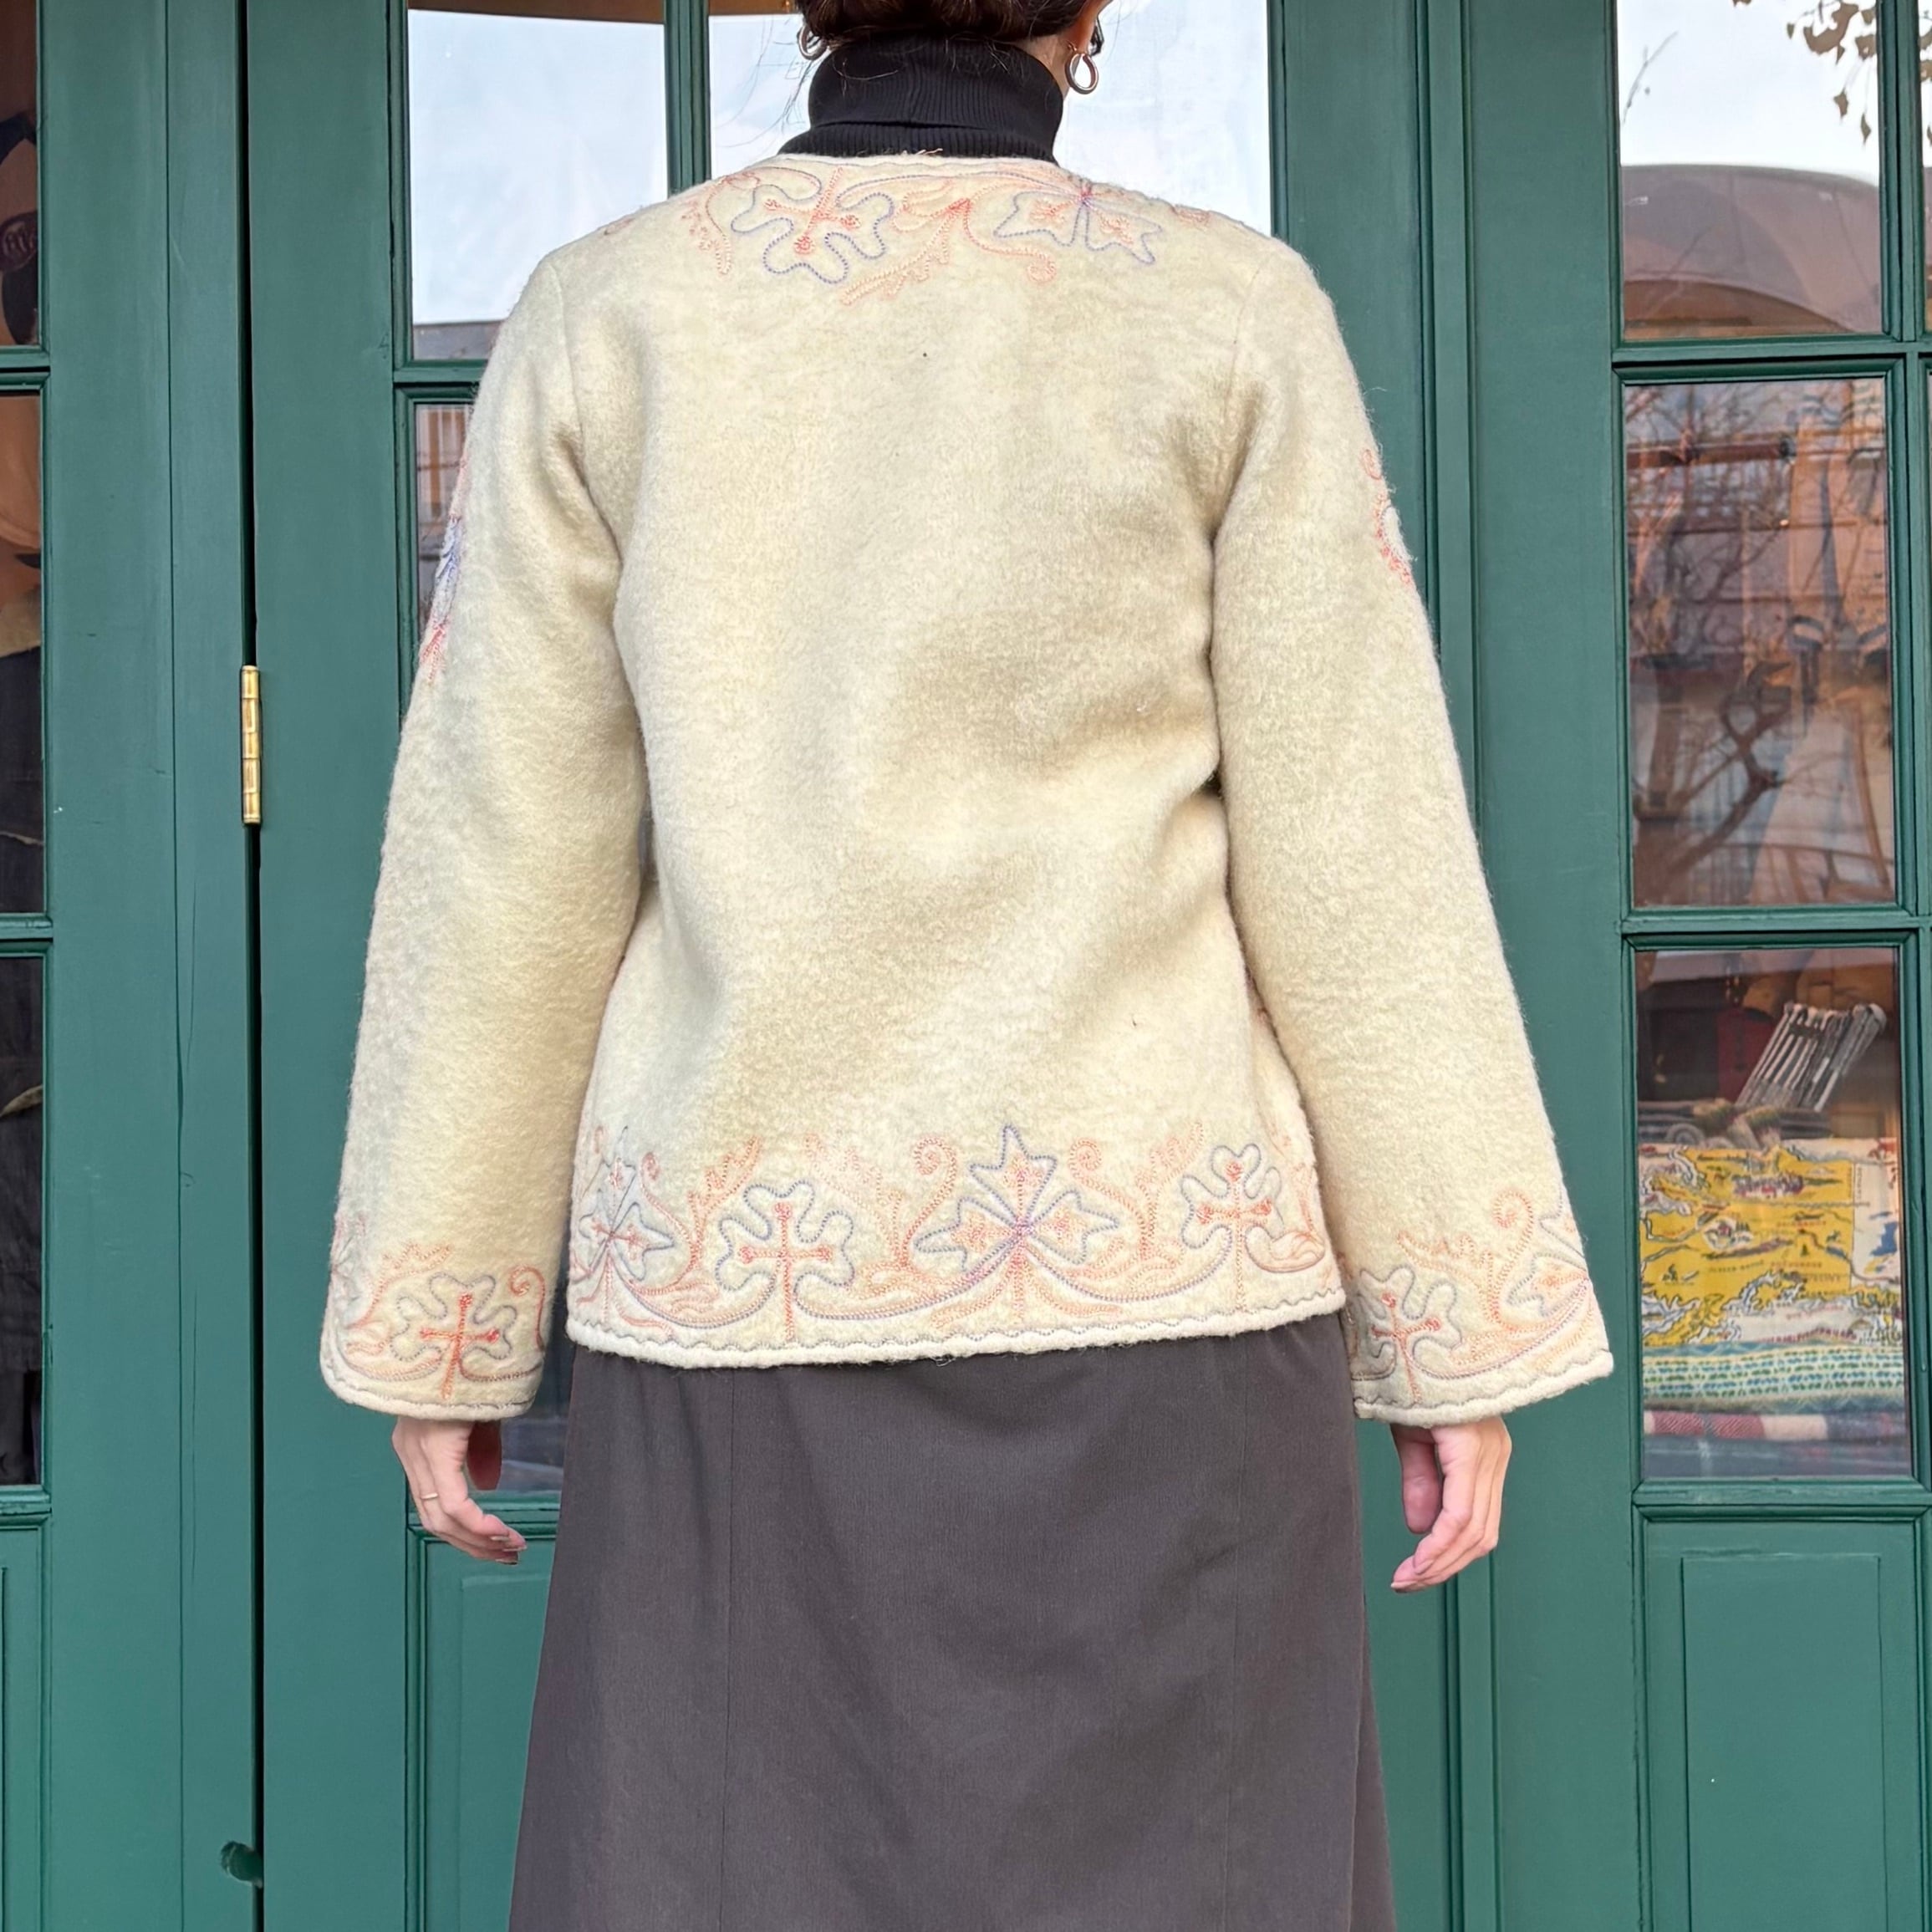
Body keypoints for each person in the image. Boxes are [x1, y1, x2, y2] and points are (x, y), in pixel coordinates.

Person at [319, 3, 1615, 1925]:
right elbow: (1359, 853)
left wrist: (447, 1318)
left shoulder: (612, 315)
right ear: (1085, 18)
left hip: (748, 1310)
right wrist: (1454, 1333)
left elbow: (506, 854)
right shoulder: (1224, 314)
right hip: (1165, 1314)